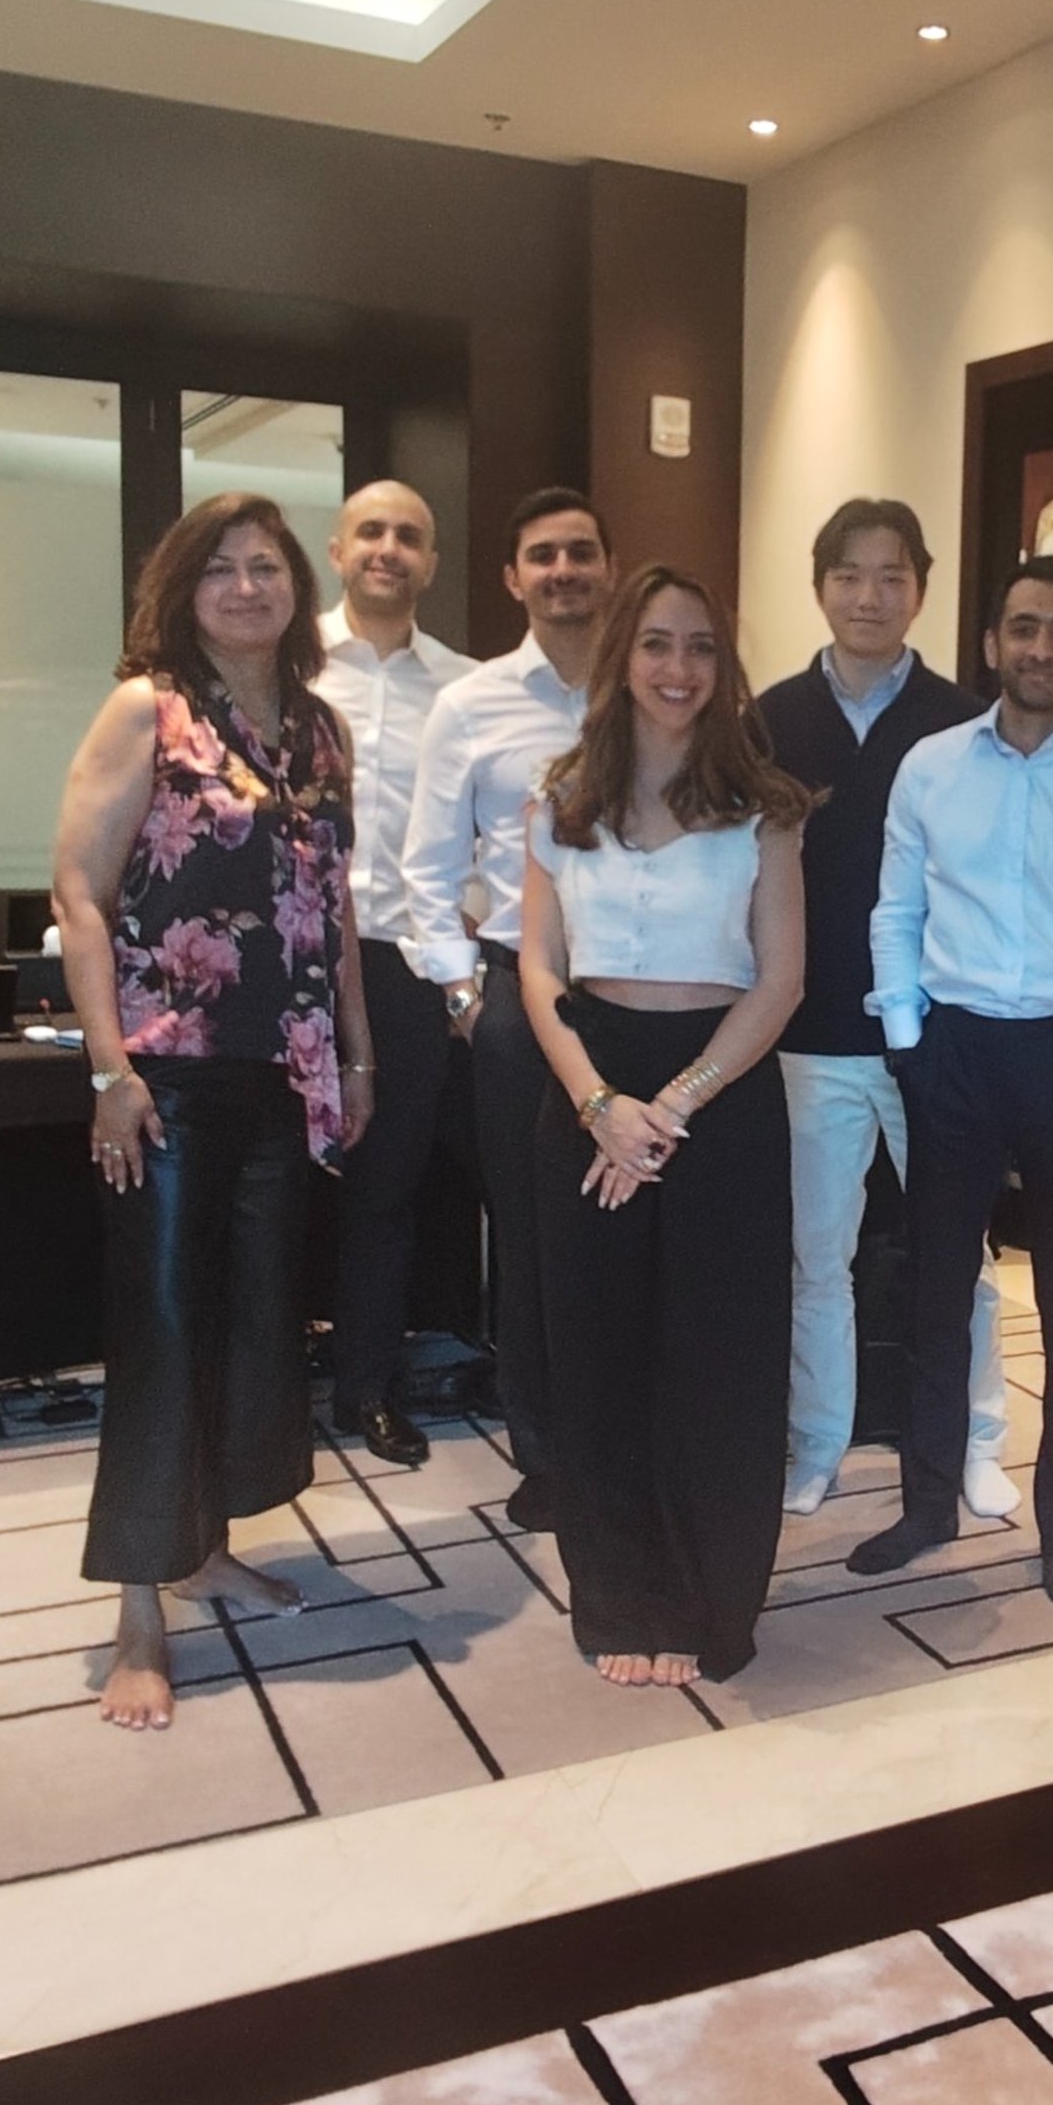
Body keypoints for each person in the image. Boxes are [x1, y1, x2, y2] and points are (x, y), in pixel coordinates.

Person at [52, 493, 371, 1731]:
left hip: (284, 1074)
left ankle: (209, 1545)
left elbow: (331, 912)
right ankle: (140, 1605)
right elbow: (79, 889)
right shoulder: (151, 709)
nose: (247, 586)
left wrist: (356, 1058)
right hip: (169, 1073)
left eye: (267, 567)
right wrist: (107, 1073)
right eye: (221, 569)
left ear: (297, 587)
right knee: (168, 1328)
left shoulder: (321, 731)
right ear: (184, 591)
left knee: (252, 1323)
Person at [850, 555, 1053, 1602]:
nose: (1043, 648)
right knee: (936, 1289)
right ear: (992, 641)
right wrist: (907, 1033)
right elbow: (894, 909)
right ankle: (925, 1502)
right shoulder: (931, 767)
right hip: (949, 1051)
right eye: (1025, 627)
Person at [522, 566, 810, 1685]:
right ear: (621, 658)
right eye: (655, 644)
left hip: (720, 1097)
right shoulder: (560, 799)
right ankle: (618, 1595)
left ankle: (709, 1601)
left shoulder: (765, 808)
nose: (678, 668)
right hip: (589, 1085)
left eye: (699, 646)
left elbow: (780, 982)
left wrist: (675, 1105)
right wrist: (601, 1105)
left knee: (719, 1360)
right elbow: (540, 969)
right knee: (598, 1356)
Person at [756, 497, 1016, 1520]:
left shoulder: (964, 720)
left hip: (934, 1040)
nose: (870, 596)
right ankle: (816, 1441)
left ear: (922, 585)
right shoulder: (768, 718)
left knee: (970, 1257)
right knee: (815, 1255)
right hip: (807, 1035)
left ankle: (978, 1438)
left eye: (892, 576)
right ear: (819, 584)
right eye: (850, 574)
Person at [402, 487, 611, 1529]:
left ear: (608, 567)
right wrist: (460, 989)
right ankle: (547, 1452)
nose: (563, 570)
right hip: (515, 997)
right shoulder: (471, 705)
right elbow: (424, 868)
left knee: (633, 1220)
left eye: (580, 552)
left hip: (646, 995)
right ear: (513, 577)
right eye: (544, 556)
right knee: (528, 1237)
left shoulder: (660, 683)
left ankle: (626, 1435)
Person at [315, 480, 475, 1467]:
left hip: (405, 963)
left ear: (432, 562)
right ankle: (247, 1398)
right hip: (288, 961)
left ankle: (364, 1387)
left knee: (387, 1188)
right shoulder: (289, 670)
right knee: (267, 1187)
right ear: (337, 550)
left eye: (408, 536)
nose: (388, 548)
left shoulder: (462, 688)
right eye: (370, 531)